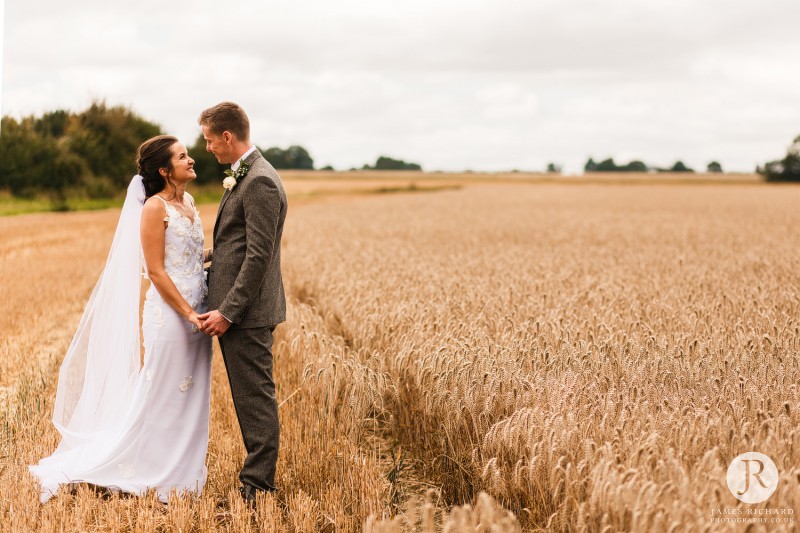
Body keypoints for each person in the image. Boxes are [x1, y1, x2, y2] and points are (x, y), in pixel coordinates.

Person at [29, 135, 213, 503]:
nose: (191, 160)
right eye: (182, 156)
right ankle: (144, 469)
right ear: (164, 170)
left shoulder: (189, 201)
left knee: (193, 394)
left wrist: (219, 256)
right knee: (162, 391)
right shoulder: (153, 208)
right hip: (172, 317)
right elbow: (157, 272)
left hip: (199, 314)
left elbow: (190, 257)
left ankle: (182, 472)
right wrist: (189, 313)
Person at [197, 102, 287, 502]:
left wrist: (229, 311)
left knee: (255, 398)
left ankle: (258, 485)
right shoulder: (247, 176)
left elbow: (259, 255)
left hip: (246, 315)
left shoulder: (260, 181)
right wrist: (208, 255)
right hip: (241, 313)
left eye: (210, 140)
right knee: (250, 396)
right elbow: (239, 244)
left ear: (228, 137)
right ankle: (257, 479)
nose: (208, 148)